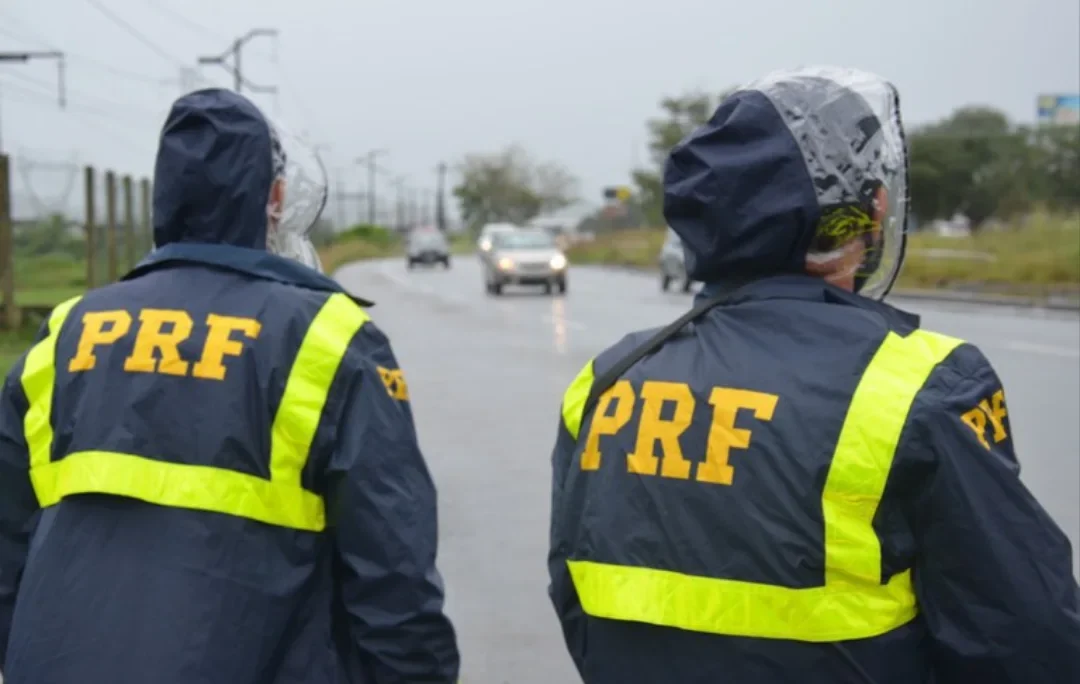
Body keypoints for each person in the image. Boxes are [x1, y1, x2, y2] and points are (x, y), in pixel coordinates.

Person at [547, 66, 1080, 684]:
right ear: (871, 212)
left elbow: (575, 596)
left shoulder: (610, 379)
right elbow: (1024, 637)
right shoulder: (918, 383)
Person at [0, 88, 460, 683]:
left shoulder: (64, 335)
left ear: (163, 198)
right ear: (274, 198)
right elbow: (393, 577)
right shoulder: (330, 338)